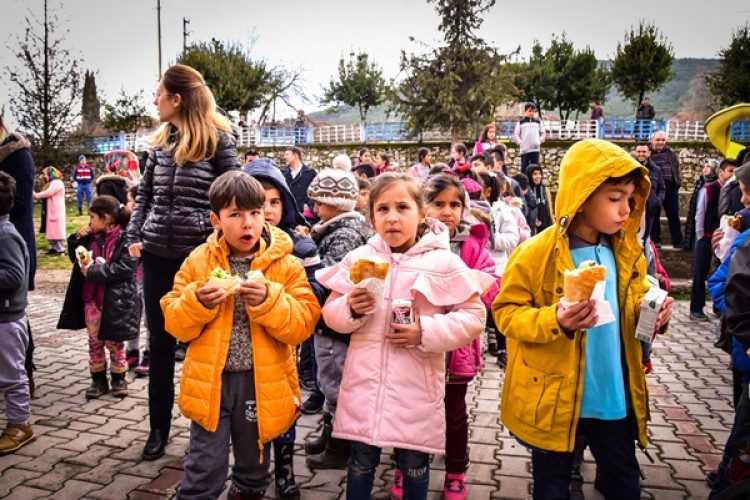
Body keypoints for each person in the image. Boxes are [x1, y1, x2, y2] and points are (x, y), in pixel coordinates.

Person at [493, 139, 674, 499]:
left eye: (629, 199)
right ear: (582, 195)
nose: (625, 210)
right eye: (614, 198)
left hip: (613, 395)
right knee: (553, 486)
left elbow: (635, 298)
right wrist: (555, 320)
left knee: (624, 480)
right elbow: (506, 314)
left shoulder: (626, 252)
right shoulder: (535, 253)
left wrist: (653, 311)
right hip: (556, 400)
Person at [315, 172, 490, 499]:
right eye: (382, 209)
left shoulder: (443, 263)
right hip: (365, 388)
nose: (392, 217)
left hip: (416, 389)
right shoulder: (360, 259)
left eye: (402, 207)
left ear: (422, 213)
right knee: (360, 464)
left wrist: (425, 331)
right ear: (371, 217)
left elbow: (474, 316)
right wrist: (351, 308)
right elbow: (331, 314)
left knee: (414, 466)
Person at [160, 171, 320, 499]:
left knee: (253, 466)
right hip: (210, 383)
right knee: (204, 466)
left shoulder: (286, 266)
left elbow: (304, 323)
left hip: (261, 384)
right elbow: (174, 322)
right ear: (215, 220)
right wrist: (196, 302)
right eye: (235, 214)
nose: (247, 224)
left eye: (255, 213)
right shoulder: (198, 262)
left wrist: (270, 300)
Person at [126, 64, 242, 461]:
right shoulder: (157, 143)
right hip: (157, 253)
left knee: (207, 344)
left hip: (201, 257)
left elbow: (236, 195)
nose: (154, 99)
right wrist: (134, 234)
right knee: (158, 344)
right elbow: (144, 196)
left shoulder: (218, 139)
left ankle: (210, 430)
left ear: (176, 99)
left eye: (158, 93)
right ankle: (158, 429)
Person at [243, 157, 326, 499]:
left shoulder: (302, 248)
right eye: (259, 202)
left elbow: (315, 295)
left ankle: (286, 472)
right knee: (247, 419)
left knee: (284, 413)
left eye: (275, 201)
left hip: (281, 353)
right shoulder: (230, 250)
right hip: (240, 357)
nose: (268, 210)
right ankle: (249, 474)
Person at [420, 174, 499, 498]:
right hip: (419, 347)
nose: (447, 211)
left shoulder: (472, 244)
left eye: (455, 204)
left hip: (457, 350)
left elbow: (493, 282)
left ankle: (455, 470)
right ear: (423, 208)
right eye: (438, 204)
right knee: (418, 410)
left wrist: (474, 286)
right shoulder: (413, 245)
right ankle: (407, 464)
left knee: (454, 413)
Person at [303, 157, 369, 470]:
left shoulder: (345, 234)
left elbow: (331, 278)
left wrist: (307, 267)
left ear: (336, 204)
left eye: (319, 203)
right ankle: (331, 433)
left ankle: (340, 447)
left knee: (336, 382)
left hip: (336, 324)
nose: (315, 209)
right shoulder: (335, 229)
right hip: (328, 323)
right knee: (329, 379)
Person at [58, 196, 140, 399]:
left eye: (93, 217)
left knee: (115, 342)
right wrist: (77, 239)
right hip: (92, 302)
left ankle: (119, 378)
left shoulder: (125, 239)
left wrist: (94, 271)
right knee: (94, 341)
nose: (90, 222)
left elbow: (125, 268)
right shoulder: (89, 238)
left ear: (106, 219)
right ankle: (98, 380)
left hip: (115, 302)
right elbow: (74, 258)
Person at [0, 115, 38, 396]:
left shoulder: (17, 154)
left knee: (14, 314)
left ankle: (25, 372)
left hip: (14, 242)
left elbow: (22, 203)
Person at [0, 171, 34, 455]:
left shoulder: (6, 234)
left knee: (12, 375)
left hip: (8, 320)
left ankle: (20, 425)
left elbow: (13, 274)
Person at [691, 159, 736, 321]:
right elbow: (700, 213)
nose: (733, 175)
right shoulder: (709, 189)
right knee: (700, 272)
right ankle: (696, 307)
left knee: (720, 272)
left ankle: (718, 306)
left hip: (725, 238)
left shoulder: (734, 190)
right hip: (706, 236)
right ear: (721, 172)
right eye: (730, 171)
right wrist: (701, 235)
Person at [649, 131, 684, 248]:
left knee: (674, 214)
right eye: (658, 140)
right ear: (652, 140)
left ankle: (677, 241)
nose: (660, 142)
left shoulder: (670, 153)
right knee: (655, 214)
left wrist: (678, 182)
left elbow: (676, 167)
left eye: (663, 140)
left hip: (670, 187)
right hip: (655, 188)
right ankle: (656, 240)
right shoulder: (648, 153)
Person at [634, 142, 666, 246]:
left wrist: (657, 201)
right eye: (638, 151)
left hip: (649, 210)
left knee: (646, 239)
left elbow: (662, 187)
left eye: (644, 151)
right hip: (633, 209)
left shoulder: (656, 170)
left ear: (649, 153)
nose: (641, 154)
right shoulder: (631, 169)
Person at [33, 166, 66, 255]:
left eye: (46, 174)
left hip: (56, 209)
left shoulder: (57, 183)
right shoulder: (53, 182)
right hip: (52, 209)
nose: (45, 176)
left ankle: (60, 248)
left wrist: (36, 195)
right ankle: (54, 247)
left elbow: (49, 192)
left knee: (55, 230)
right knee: (52, 230)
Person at [281, 146, 317, 223]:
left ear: (295, 156)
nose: (284, 157)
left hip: (305, 216)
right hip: (287, 216)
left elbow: (316, 192)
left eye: (287, 154)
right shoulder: (282, 173)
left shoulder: (311, 173)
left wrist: (308, 204)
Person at [512, 102, 546, 175]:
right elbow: (516, 134)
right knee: (524, 169)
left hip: (535, 149)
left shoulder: (538, 122)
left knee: (535, 168)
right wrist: (520, 142)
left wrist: (539, 141)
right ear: (525, 111)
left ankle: (534, 185)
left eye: (533, 111)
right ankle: (524, 185)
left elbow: (543, 133)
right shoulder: (521, 122)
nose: (532, 113)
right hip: (525, 150)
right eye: (530, 111)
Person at [527, 164, 554, 233]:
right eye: (535, 174)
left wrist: (554, 225)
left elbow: (550, 210)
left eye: (539, 174)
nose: (538, 176)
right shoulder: (527, 191)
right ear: (529, 176)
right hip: (533, 228)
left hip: (547, 227)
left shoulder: (545, 189)